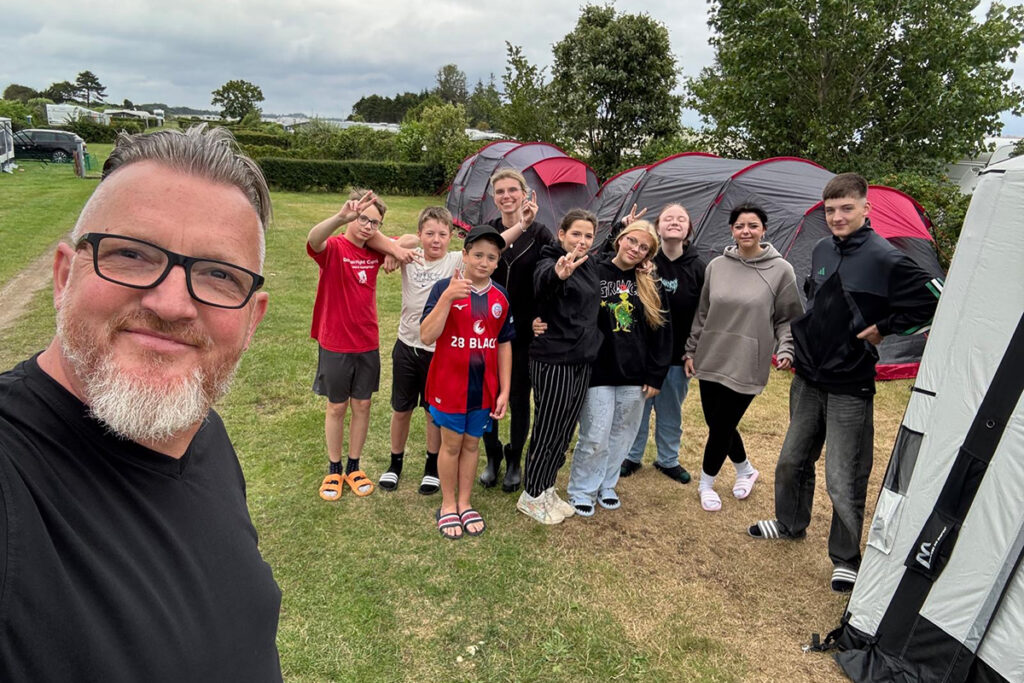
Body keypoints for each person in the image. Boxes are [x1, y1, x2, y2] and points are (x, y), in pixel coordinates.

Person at [0, 126, 282, 680]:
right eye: (131, 254)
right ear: (63, 276)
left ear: (253, 319)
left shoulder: (204, 435)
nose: (173, 304)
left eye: (220, 275)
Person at [748, 173, 942, 593]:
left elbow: (936, 298)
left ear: (866, 209)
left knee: (844, 472)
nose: (836, 217)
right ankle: (790, 522)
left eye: (846, 208)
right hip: (809, 376)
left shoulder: (885, 257)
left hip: (851, 382)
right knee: (791, 459)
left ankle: (846, 556)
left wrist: (885, 327)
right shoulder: (820, 248)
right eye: (831, 210)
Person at [684, 205, 803, 512]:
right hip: (711, 355)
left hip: (749, 360)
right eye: (739, 226)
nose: (746, 231)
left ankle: (705, 483)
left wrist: (786, 349)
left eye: (752, 225)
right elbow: (703, 312)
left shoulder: (781, 271)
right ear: (732, 230)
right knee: (717, 422)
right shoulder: (717, 266)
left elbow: (788, 319)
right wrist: (691, 349)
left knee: (723, 424)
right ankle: (745, 470)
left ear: (764, 230)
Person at [307, 188, 415, 501]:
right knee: (337, 406)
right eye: (362, 218)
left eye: (375, 222)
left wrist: (391, 251)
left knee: (363, 405)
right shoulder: (336, 247)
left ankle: (354, 465)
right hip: (336, 342)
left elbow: (411, 240)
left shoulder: (375, 249)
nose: (367, 226)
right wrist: (341, 218)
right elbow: (314, 241)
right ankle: (334, 468)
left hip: (367, 340)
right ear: (352, 216)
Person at [566, 220, 672, 516]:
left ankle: (606, 484)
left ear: (649, 255)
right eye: (632, 241)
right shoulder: (594, 269)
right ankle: (582, 489)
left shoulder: (650, 282)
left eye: (644, 247)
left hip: (634, 374)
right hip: (598, 370)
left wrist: (655, 374)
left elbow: (662, 331)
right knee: (595, 434)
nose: (635, 249)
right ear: (620, 239)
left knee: (622, 433)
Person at [420, 225, 514, 539]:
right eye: (477, 255)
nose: (483, 262)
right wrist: (447, 297)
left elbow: (503, 344)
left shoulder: (500, 297)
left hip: (482, 390)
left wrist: (505, 389)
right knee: (451, 445)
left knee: (472, 445)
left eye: (491, 257)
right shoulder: (444, 289)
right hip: (449, 385)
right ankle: (448, 505)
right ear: (464, 255)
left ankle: (464, 502)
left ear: (498, 261)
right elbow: (427, 335)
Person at [516, 209, 602, 524]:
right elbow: (542, 281)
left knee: (565, 430)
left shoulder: (591, 263)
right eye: (575, 234)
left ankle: (548, 487)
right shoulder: (549, 258)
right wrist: (559, 273)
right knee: (548, 428)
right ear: (561, 233)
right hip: (553, 359)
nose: (581, 241)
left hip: (582, 358)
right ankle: (532, 494)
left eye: (588, 236)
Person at [479, 168, 555, 493]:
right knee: (486, 395)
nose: (507, 197)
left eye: (513, 190)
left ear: (524, 194)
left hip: (524, 329)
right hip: (486, 328)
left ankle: (514, 459)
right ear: (494, 197)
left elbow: (553, 276)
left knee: (520, 398)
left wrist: (543, 315)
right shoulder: (487, 231)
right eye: (500, 192)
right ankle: (492, 456)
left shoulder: (540, 234)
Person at [620, 203, 706, 485]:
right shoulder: (644, 261)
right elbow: (611, 264)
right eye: (668, 217)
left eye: (682, 218)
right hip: (642, 354)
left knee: (671, 410)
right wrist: (624, 230)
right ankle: (632, 456)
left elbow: (704, 313)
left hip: (677, 356)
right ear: (657, 226)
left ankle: (668, 459)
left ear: (689, 229)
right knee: (638, 409)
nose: (675, 222)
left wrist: (693, 351)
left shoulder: (698, 267)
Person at [378, 207, 462, 495]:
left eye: (442, 234)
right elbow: (381, 239)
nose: (435, 240)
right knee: (401, 409)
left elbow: (494, 244)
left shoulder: (456, 261)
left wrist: (523, 224)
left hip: (437, 351)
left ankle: (431, 467)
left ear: (452, 237)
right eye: (429, 234)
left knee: (431, 413)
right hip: (406, 347)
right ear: (420, 235)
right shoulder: (409, 257)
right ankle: (395, 463)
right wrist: (397, 247)